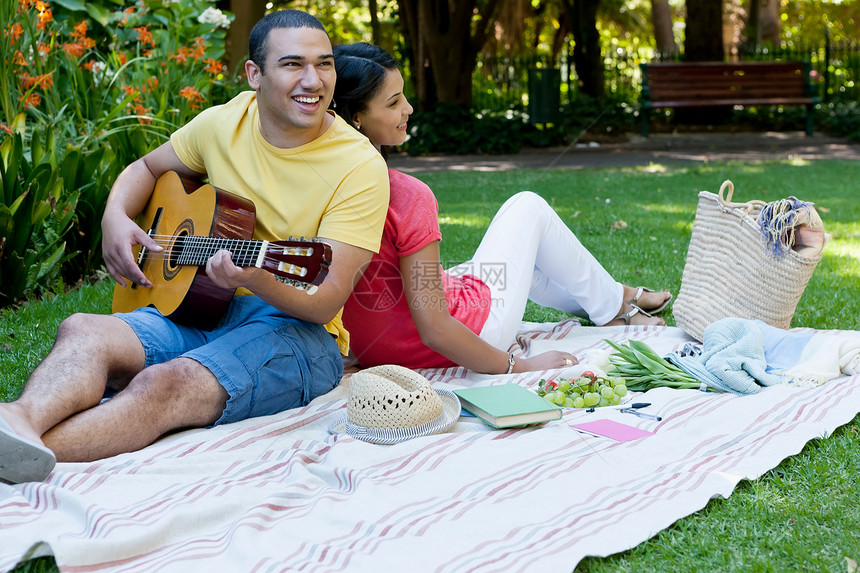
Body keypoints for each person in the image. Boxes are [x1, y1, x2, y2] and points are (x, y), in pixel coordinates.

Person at [0, 11, 389, 484]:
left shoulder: (359, 166)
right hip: (203, 305)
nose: (313, 80)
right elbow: (145, 168)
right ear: (254, 74)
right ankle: (18, 422)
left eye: (324, 64)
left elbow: (325, 299)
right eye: (292, 64)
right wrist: (115, 217)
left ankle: (21, 451)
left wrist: (255, 278)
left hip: (299, 334)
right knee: (83, 329)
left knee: (164, 385)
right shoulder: (222, 123)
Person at [333, 42, 671, 375]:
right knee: (528, 207)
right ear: (357, 116)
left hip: (378, 348)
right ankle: (614, 305)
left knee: (527, 268)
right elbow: (435, 329)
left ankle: (613, 298)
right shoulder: (405, 195)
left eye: (403, 96)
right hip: (466, 337)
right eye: (394, 102)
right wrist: (520, 365)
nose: (408, 108)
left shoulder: (322, 189)